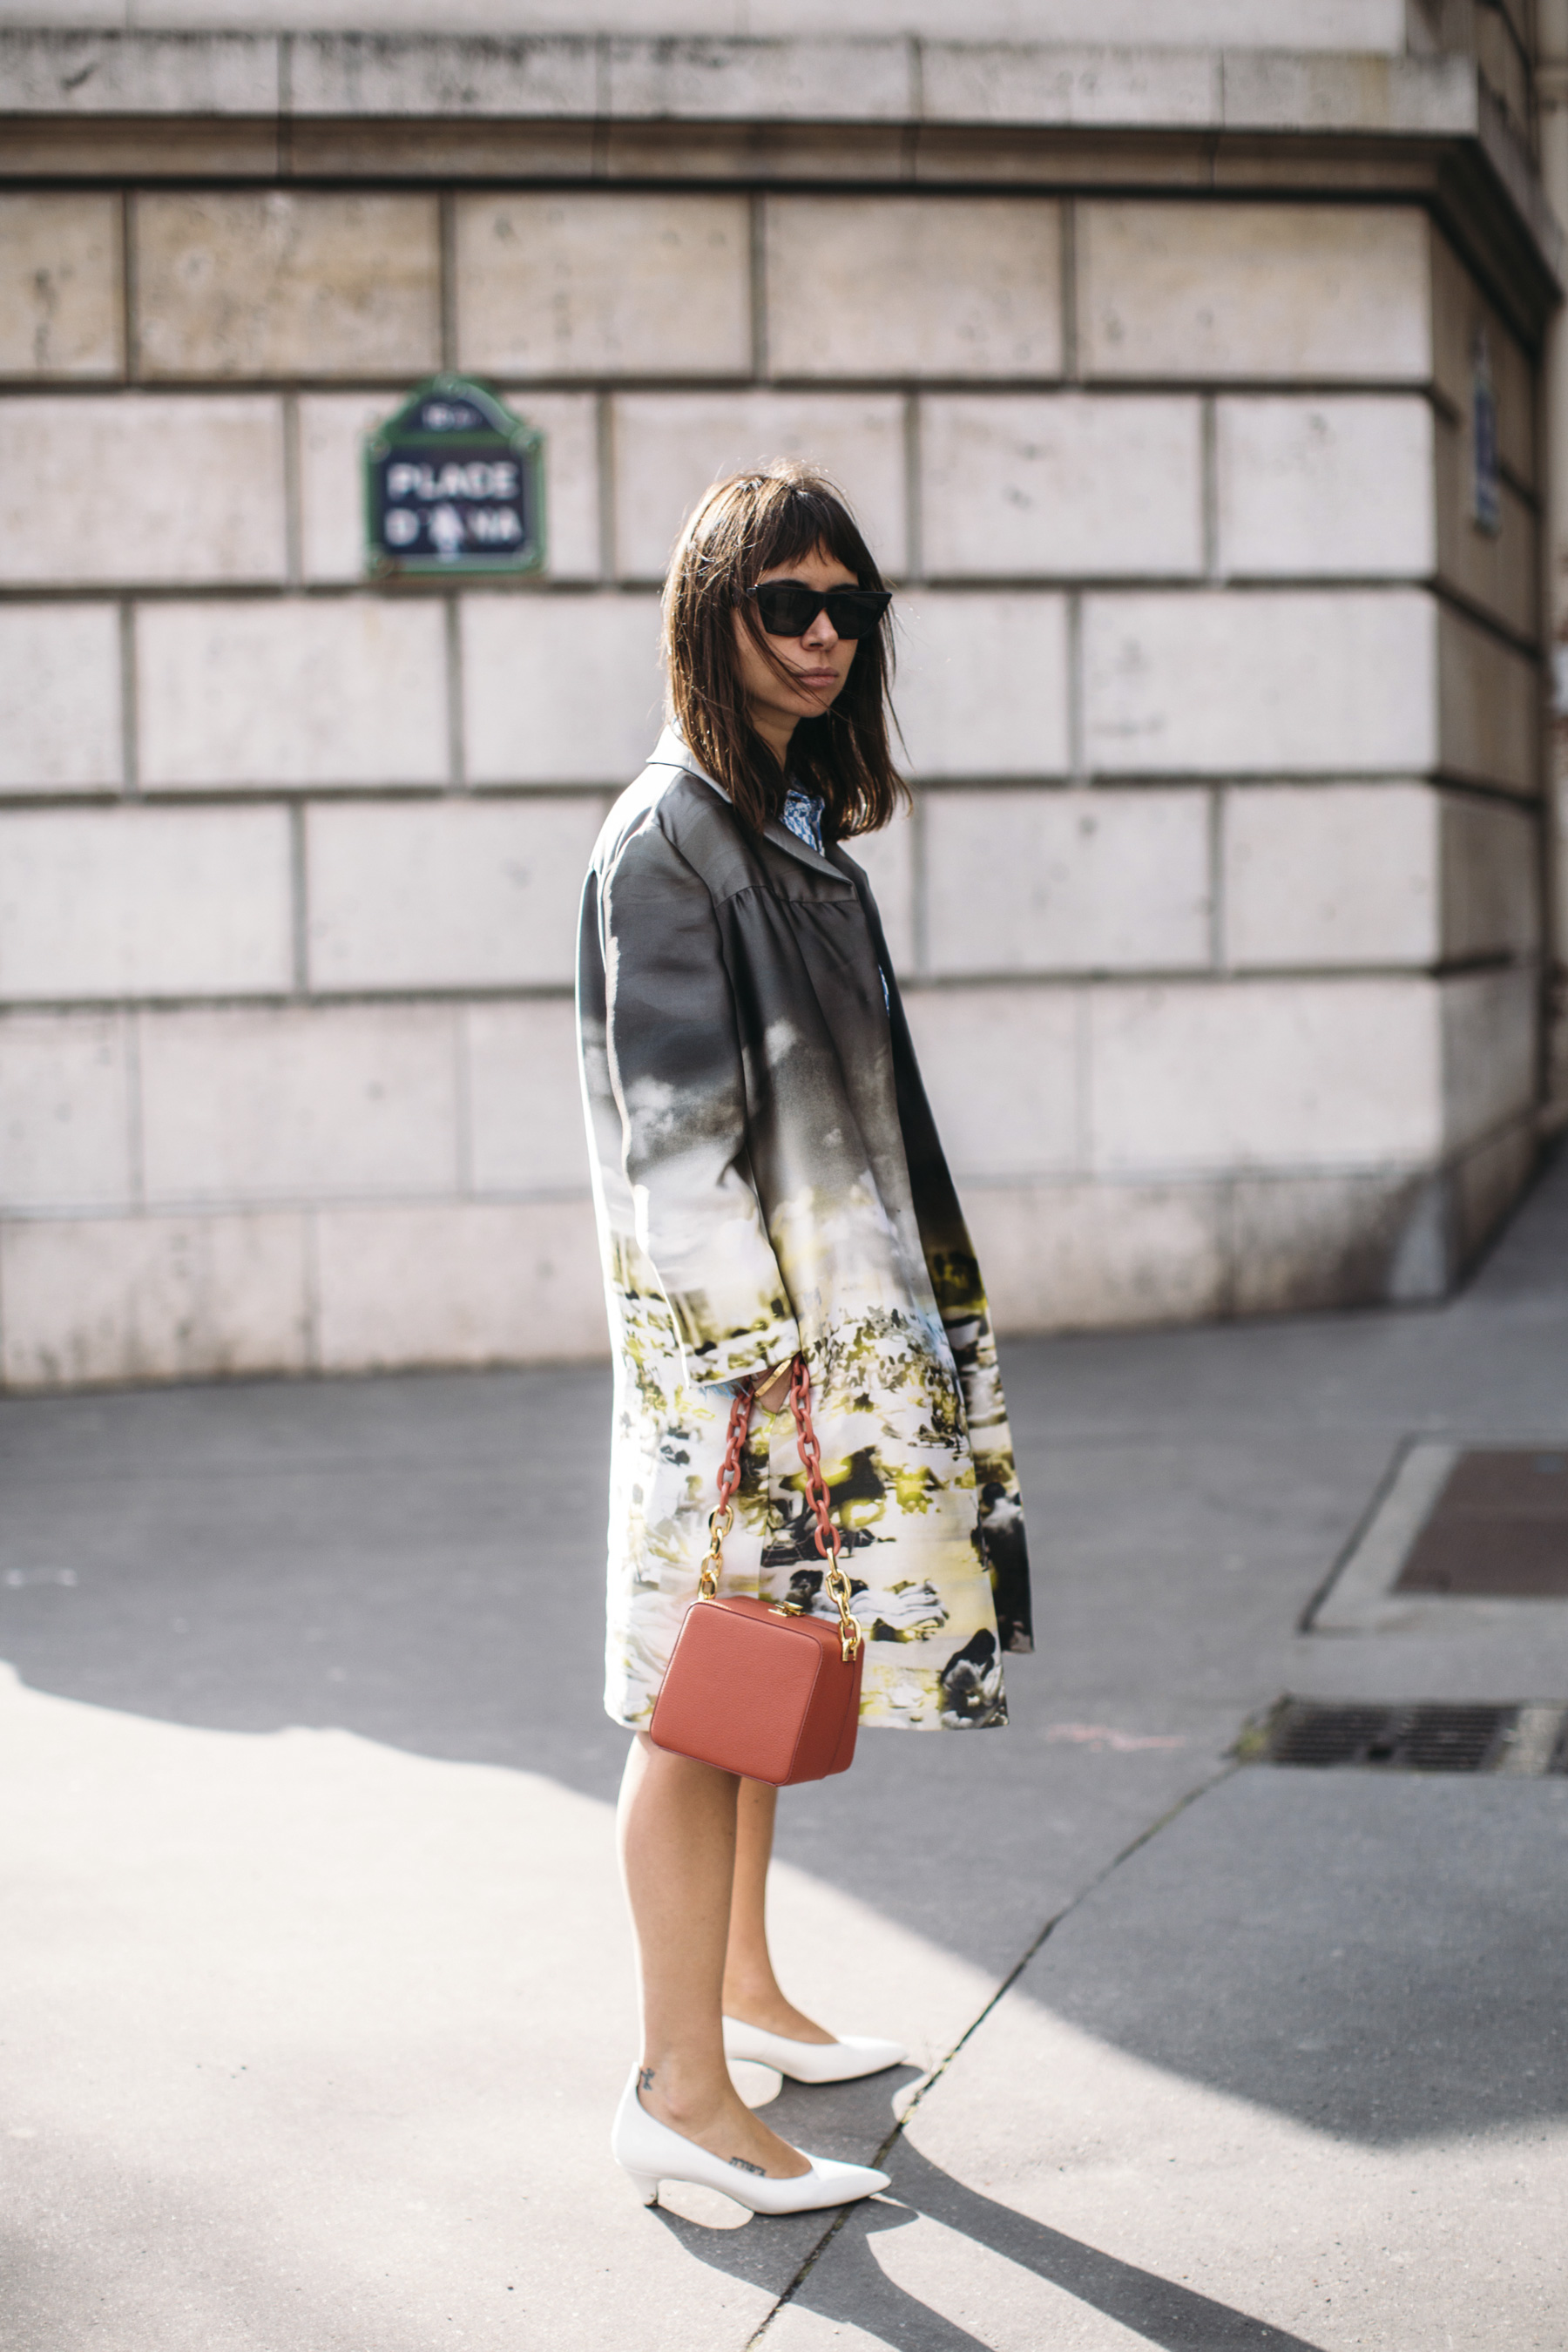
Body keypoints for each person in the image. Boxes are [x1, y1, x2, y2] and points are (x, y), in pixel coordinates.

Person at [576, 461, 1032, 2215]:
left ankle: (744, 1996)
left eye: (852, 605)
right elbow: (675, 1142)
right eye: (789, 605)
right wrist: (758, 1365)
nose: (827, 634)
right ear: (717, 617)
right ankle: (677, 2089)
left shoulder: (784, 819)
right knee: (700, 1703)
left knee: (767, 1667)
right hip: (748, 1362)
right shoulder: (673, 837)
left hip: (821, 1336)